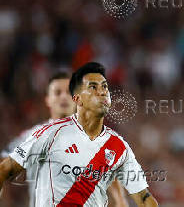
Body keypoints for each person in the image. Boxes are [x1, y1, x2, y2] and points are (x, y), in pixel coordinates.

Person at [0, 62, 158, 206]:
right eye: (93, 87)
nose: (102, 92)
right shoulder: (50, 133)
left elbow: (144, 197)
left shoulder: (119, 146)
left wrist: (120, 199)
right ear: (77, 99)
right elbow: (4, 170)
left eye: (105, 87)